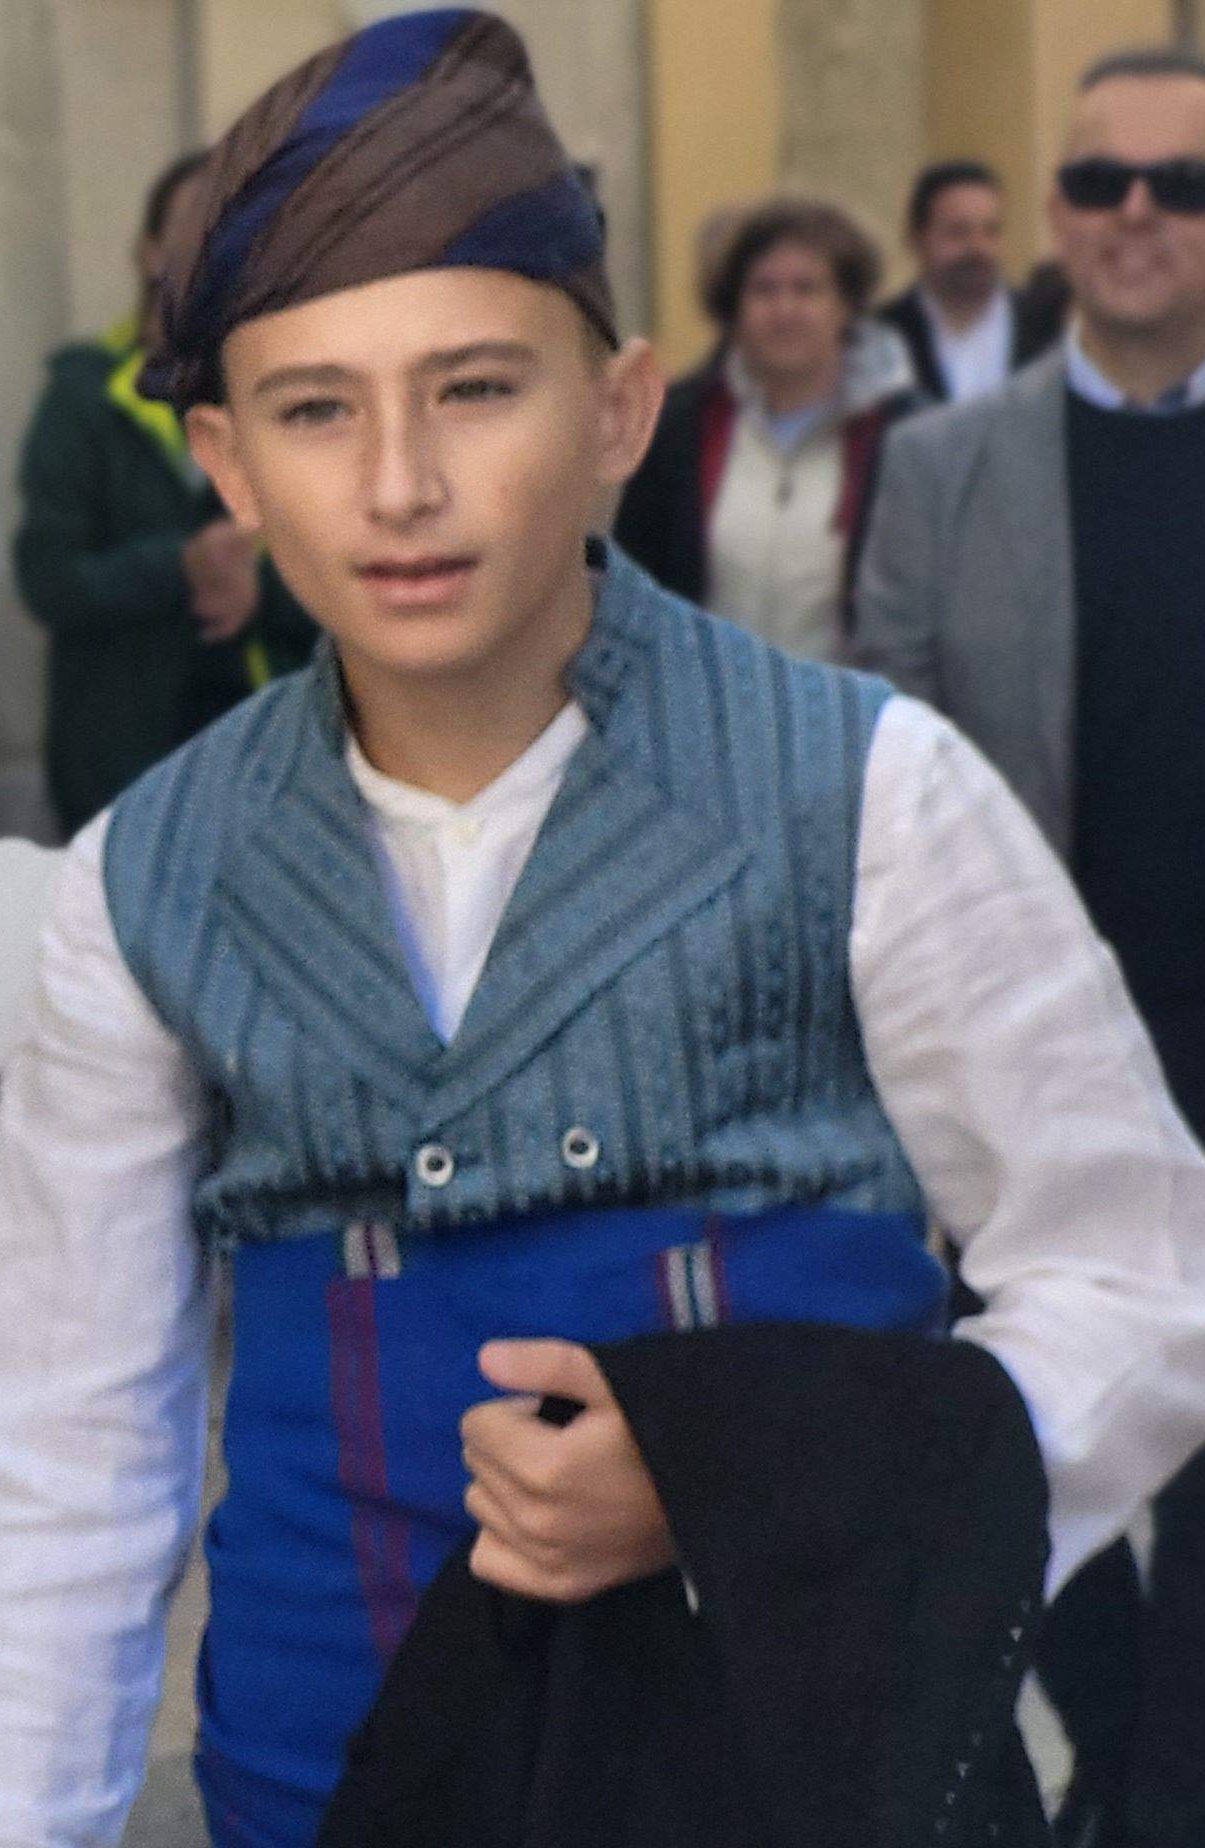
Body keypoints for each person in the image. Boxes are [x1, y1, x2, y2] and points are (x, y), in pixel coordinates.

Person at [0, 15, 1205, 1846]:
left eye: (477, 388)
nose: (401, 482)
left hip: (807, 1793)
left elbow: (1144, 1275)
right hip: (329, 1791)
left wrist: (748, 1484)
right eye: (315, 408)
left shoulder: (870, 793)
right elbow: (61, 1455)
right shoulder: (143, 880)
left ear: (617, 409)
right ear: (226, 460)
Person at [852, 47, 1205, 1843]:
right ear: (1059, 215)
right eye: (1101, 184)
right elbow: (887, 754)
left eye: (1181, 186)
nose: (1137, 215)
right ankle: (1135, 1748)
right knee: (1028, 1450)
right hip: (1024, 1068)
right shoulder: (940, 468)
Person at [16, 148, 321, 833]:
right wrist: (179, 566)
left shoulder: (296, 397)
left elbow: (353, 589)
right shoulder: (86, 397)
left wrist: (260, 593)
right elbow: (47, 580)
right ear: (151, 251)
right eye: (192, 228)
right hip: (125, 778)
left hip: (274, 777)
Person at [613, 198, 913, 659]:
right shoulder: (679, 427)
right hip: (705, 711)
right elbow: (634, 582)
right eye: (764, 290)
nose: (784, 309)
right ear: (733, 309)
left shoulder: (902, 435)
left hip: (850, 717)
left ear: (846, 306)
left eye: (806, 289)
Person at [876, 159, 1072, 405]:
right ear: (916, 239)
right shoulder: (882, 337)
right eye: (958, 232)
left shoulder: (1051, 329)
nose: (978, 248)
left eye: (991, 231)